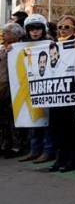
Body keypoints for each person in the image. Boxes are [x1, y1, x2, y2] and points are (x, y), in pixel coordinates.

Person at [48, 15, 75, 173]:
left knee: (73, 127)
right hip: (58, 92)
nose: (62, 30)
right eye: (60, 27)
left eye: (66, 27)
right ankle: (61, 157)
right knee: (58, 127)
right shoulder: (53, 46)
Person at [17, 14, 55, 164]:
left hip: (47, 88)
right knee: (34, 121)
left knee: (46, 121)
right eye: (31, 29)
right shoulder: (21, 45)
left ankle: (48, 150)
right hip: (30, 88)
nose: (35, 32)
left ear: (43, 29)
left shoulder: (51, 43)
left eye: (38, 28)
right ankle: (35, 150)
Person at [0, 23, 29, 159]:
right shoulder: (3, 48)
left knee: (14, 119)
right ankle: (6, 144)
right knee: (4, 119)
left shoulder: (20, 48)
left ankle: (17, 145)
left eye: (6, 33)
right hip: (3, 87)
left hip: (15, 88)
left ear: (15, 35)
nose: (3, 35)